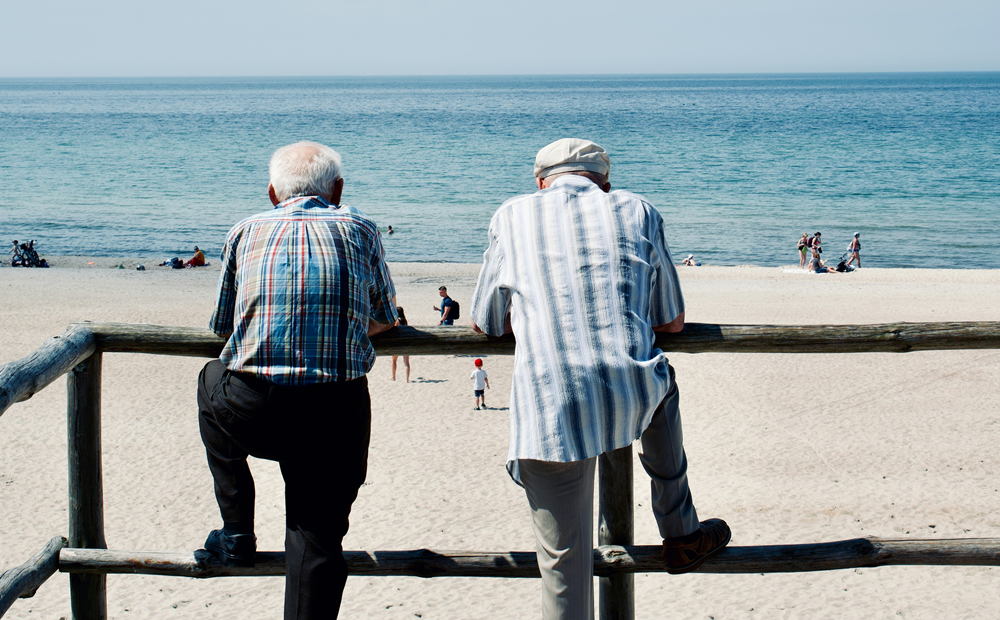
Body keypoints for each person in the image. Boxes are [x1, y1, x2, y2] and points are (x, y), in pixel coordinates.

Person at [471, 138, 730, 619]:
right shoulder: (638, 209)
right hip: (630, 391)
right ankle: (680, 532)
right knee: (660, 380)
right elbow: (670, 321)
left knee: (563, 567)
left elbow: (487, 322)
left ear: (539, 182)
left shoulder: (510, 214)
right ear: (605, 183)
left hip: (551, 407)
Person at [197, 141, 398, 620]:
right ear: (338, 190)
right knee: (318, 535)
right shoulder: (361, 228)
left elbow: (223, 326)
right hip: (334, 410)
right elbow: (386, 318)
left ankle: (236, 530)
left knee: (209, 380)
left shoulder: (245, 230)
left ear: (272, 193)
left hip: (252, 410)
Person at [389, 306, 411, 383]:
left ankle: (393, 376)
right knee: (406, 362)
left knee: (393, 360)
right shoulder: (405, 320)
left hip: (397, 343)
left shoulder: (396, 321)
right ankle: (407, 379)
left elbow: (394, 330)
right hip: (405, 342)